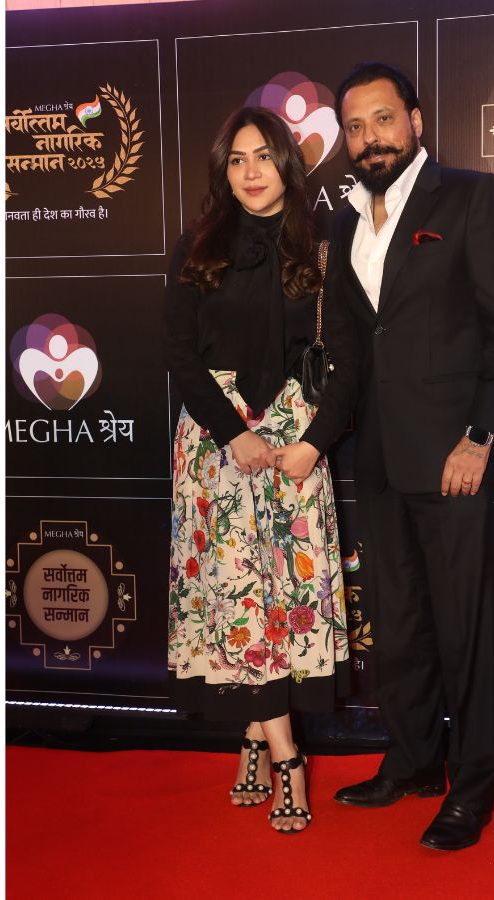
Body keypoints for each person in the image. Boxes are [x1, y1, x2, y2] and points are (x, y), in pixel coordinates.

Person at [325, 62, 494, 850]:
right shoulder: (345, 223)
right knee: (399, 623)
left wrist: (480, 438)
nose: (369, 138)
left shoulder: (472, 197)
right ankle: (413, 761)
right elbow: (351, 352)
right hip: (377, 459)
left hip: (454, 459)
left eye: (383, 119)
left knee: (463, 630)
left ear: (415, 122)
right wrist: (316, 442)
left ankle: (472, 786)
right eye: (354, 126)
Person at [164, 106, 357, 834]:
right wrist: (230, 433)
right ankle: (288, 759)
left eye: (264, 157)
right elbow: (179, 353)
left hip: (296, 440)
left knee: (284, 600)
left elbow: (351, 359)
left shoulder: (325, 245)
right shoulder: (196, 246)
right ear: (225, 169)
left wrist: (314, 442)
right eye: (237, 159)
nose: (251, 172)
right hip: (218, 448)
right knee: (242, 603)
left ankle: (252, 737)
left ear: (287, 163)